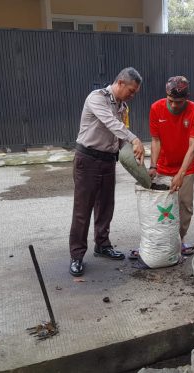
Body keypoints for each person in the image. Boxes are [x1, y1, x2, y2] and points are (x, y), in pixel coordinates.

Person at [68, 67, 146, 277]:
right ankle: (76, 255)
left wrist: (137, 161)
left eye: (135, 93)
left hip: (107, 161)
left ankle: (102, 244)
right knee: (83, 210)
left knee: (105, 206)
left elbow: (119, 138)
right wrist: (134, 138)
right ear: (120, 83)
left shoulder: (122, 106)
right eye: (131, 90)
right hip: (88, 159)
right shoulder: (97, 98)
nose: (132, 95)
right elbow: (111, 124)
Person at [147, 76, 194, 256]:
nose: (173, 105)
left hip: (187, 168)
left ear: (186, 98)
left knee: (185, 205)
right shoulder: (156, 108)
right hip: (163, 166)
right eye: (170, 101)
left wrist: (181, 173)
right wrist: (153, 166)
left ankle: (179, 240)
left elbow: (193, 146)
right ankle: (163, 240)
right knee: (163, 207)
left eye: (178, 102)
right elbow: (155, 140)